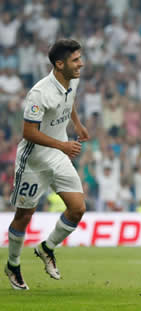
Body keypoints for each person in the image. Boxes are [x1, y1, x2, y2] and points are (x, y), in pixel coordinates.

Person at [4, 39, 88, 290]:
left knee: (77, 209)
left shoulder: (72, 79)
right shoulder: (40, 93)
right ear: (59, 64)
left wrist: (78, 124)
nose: (80, 64)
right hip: (34, 161)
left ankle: (46, 248)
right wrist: (62, 145)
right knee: (24, 215)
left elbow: (69, 101)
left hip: (58, 154)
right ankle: (13, 265)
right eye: (75, 60)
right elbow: (28, 132)